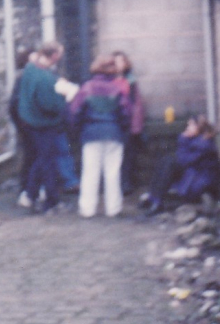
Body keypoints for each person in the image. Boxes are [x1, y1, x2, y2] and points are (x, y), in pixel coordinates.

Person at [68, 55, 132, 218]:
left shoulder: (86, 88)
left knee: (90, 171)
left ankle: (87, 209)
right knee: (113, 172)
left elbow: (75, 112)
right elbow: (126, 113)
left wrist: (78, 129)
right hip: (114, 132)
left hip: (91, 133)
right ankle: (113, 208)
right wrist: (122, 128)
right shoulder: (118, 89)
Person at [16, 41, 70, 212]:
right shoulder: (44, 77)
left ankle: (30, 195)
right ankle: (51, 202)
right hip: (44, 124)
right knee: (47, 163)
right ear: (53, 55)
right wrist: (65, 96)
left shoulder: (30, 69)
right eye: (59, 53)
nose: (60, 57)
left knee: (41, 159)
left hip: (29, 122)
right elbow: (50, 105)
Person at [141, 114, 220, 215]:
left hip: (198, 182)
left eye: (191, 125)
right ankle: (153, 197)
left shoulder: (204, 145)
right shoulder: (196, 142)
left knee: (170, 164)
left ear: (199, 127)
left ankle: (158, 202)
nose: (187, 128)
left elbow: (184, 160)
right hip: (193, 174)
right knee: (165, 160)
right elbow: (183, 158)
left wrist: (183, 139)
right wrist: (184, 140)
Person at [112, 51, 145, 194]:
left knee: (128, 155)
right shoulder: (108, 81)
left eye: (121, 61)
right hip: (113, 123)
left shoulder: (131, 81)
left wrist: (136, 125)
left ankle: (126, 183)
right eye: (115, 61)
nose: (118, 64)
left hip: (127, 124)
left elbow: (136, 104)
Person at [7, 48, 36, 208]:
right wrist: (22, 124)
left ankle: (29, 190)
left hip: (26, 125)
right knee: (30, 158)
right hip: (28, 126)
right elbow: (14, 105)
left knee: (30, 158)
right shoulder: (24, 77)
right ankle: (27, 190)